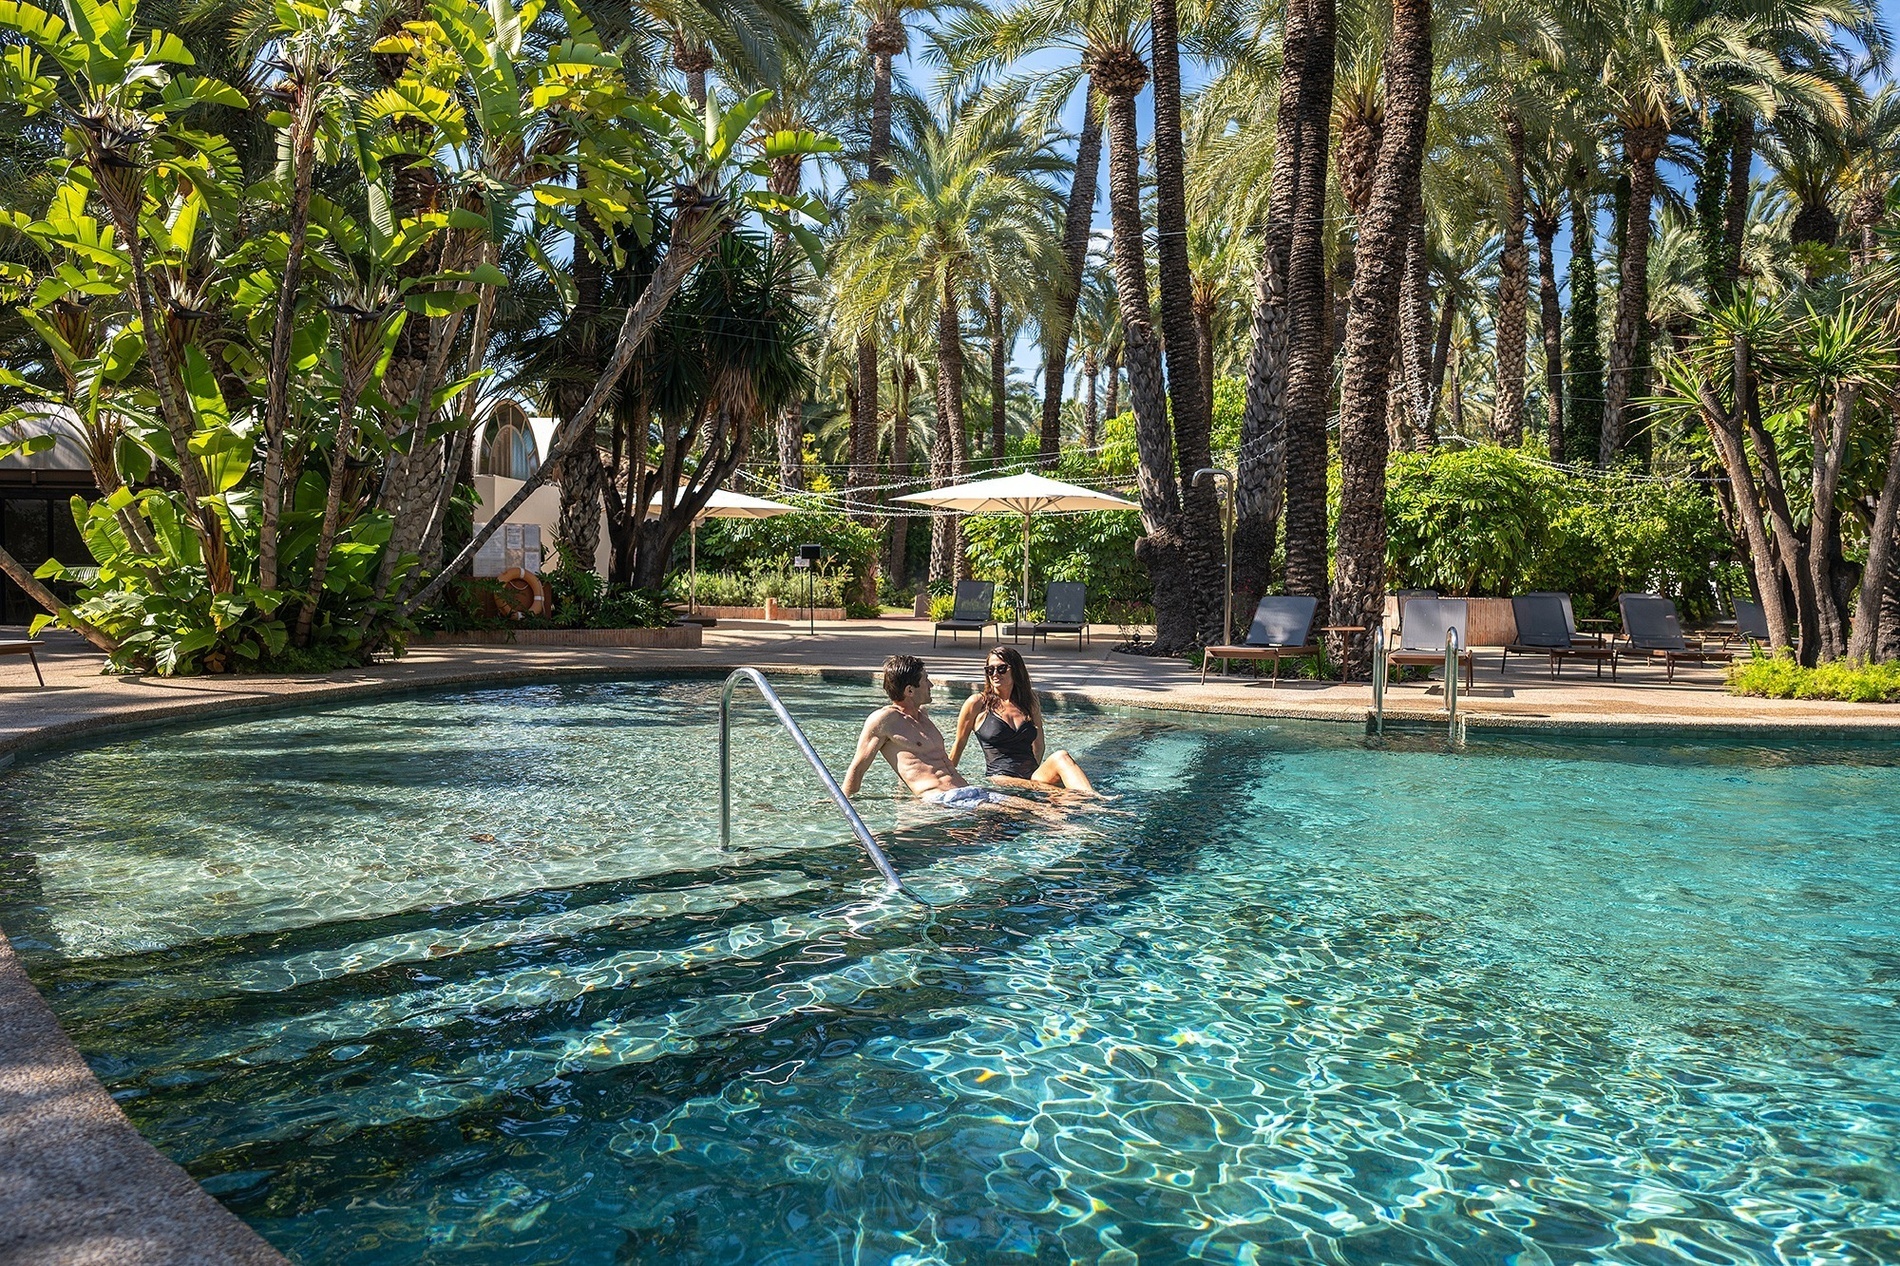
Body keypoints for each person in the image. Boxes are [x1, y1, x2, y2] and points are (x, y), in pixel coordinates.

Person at [841, 654, 1016, 808]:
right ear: (910, 690)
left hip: (968, 792)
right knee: (1012, 815)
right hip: (942, 798)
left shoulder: (922, 716)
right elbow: (858, 768)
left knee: (1036, 809)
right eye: (926, 680)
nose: (931, 685)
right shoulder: (884, 719)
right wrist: (841, 802)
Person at [949, 646, 1097, 794]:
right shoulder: (977, 703)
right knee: (1057, 793)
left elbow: (1039, 745)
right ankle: (1090, 803)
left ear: (1016, 670)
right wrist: (946, 781)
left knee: (1061, 756)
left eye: (1001, 669)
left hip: (1032, 776)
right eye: (990, 670)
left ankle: (1093, 797)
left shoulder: (1029, 701)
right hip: (1001, 778)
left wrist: (1032, 780)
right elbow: (959, 744)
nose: (995, 674)